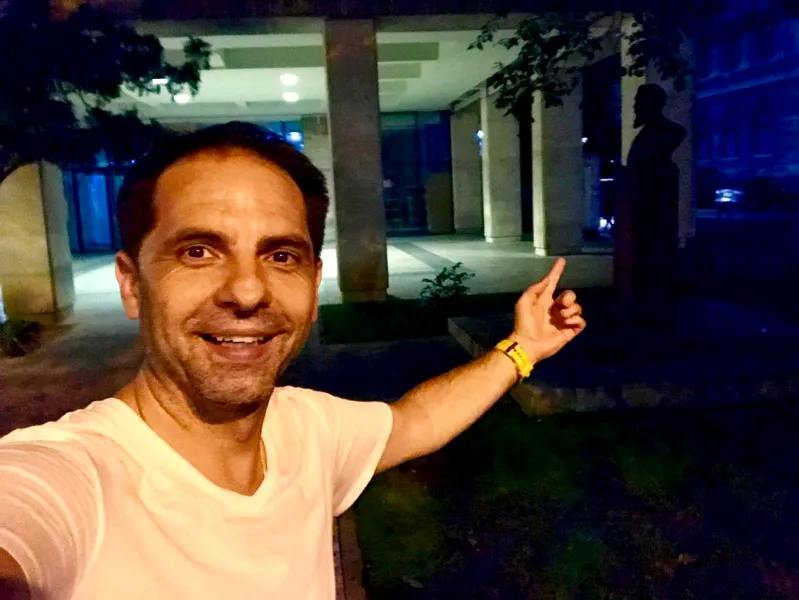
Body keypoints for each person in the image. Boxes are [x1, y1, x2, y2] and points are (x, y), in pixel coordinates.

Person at [0, 122, 585, 599]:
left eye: (281, 256)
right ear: (132, 284)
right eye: (199, 251)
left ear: (313, 283)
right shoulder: (72, 480)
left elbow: (417, 421)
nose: (248, 291)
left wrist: (522, 348)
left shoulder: (307, 429)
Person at [625, 83, 687, 327]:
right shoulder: (645, 136)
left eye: (637, 102)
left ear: (650, 104)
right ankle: (648, 308)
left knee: (657, 259)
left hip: (656, 215)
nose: (634, 107)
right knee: (646, 260)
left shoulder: (670, 133)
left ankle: (657, 309)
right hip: (644, 212)